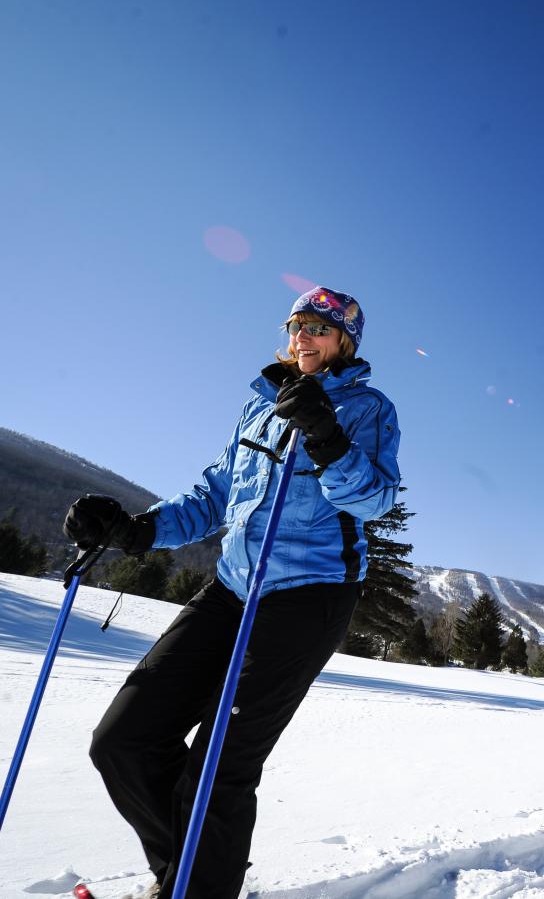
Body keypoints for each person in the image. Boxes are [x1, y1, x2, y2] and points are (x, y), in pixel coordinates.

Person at [62, 286, 400, 899]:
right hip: (232, 588)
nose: (304, 337)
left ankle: (194, 887)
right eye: (298, 325)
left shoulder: (366, 409)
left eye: (320, 330)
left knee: (217, 769)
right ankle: (191, 879)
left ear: (345, 343)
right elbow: (217, 496)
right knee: (123, 740)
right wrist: (137, 531)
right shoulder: (260, 406)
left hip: (307, 595)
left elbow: (374, 499)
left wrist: (325, 435)